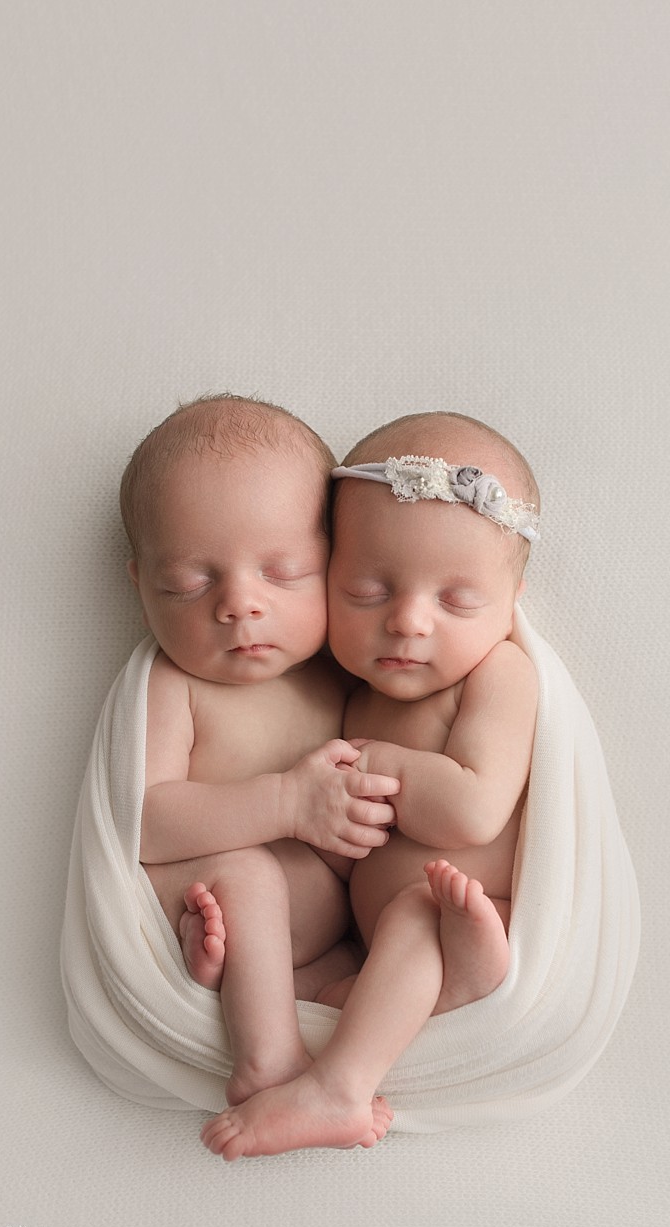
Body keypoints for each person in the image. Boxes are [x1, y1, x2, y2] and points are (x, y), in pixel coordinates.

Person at [201, 411, 540, 1159]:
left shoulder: (497, 673)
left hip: (460, 917)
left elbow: (476, 807)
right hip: (370, 940)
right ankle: (253, 986)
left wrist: (378, 763)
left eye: (456, 601)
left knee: (424, 905)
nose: (408, 622)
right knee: (301, 949)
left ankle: (341, 1089)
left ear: (511, 602)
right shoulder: (352, 688)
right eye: (365, 591)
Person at [123, 394, 397, 1132]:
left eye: (281, 572)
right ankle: (266, 1061)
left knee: (387, 955)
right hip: (200, 878)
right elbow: (143, 821)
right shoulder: (175, 684)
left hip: (317, 946)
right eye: (189, 583)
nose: (240, 605)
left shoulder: (343, 673)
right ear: (141, 585)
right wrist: (284, 801)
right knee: (247, 875)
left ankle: (248, 988)